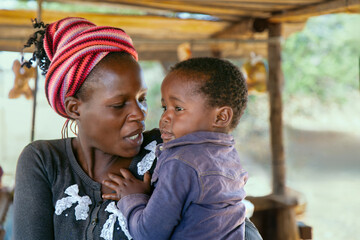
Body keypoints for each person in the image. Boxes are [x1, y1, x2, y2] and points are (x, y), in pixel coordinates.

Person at [13, 17, 162, 240]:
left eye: (142, 99)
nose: (140, 114)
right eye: (119, 105)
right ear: (75, 109)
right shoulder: (44, 161)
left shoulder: (165, 152)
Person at [102, 57, 250, 239]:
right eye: (165, 107)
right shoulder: (228, 157)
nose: (165, 117)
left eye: (178, 109)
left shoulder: (181, 163)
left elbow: (148, 234)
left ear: (220, 117)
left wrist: (132, 197)